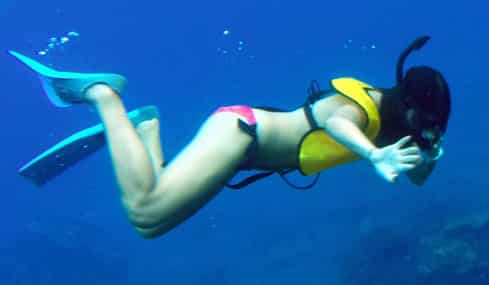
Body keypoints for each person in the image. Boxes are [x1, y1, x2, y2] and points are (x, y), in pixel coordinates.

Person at [9, 36, 451, 239]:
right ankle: (104, 97)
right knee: (145, 211)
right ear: (408, 103)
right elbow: (337, 123)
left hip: (242, 149)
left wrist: (424, 161)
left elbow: (412, 179)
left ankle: (145, 127)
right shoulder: (364, 105)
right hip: (241, 132)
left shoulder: (397, 132)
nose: (423, 129)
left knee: (153, 225)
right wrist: (373, 156)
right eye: (424, 120)